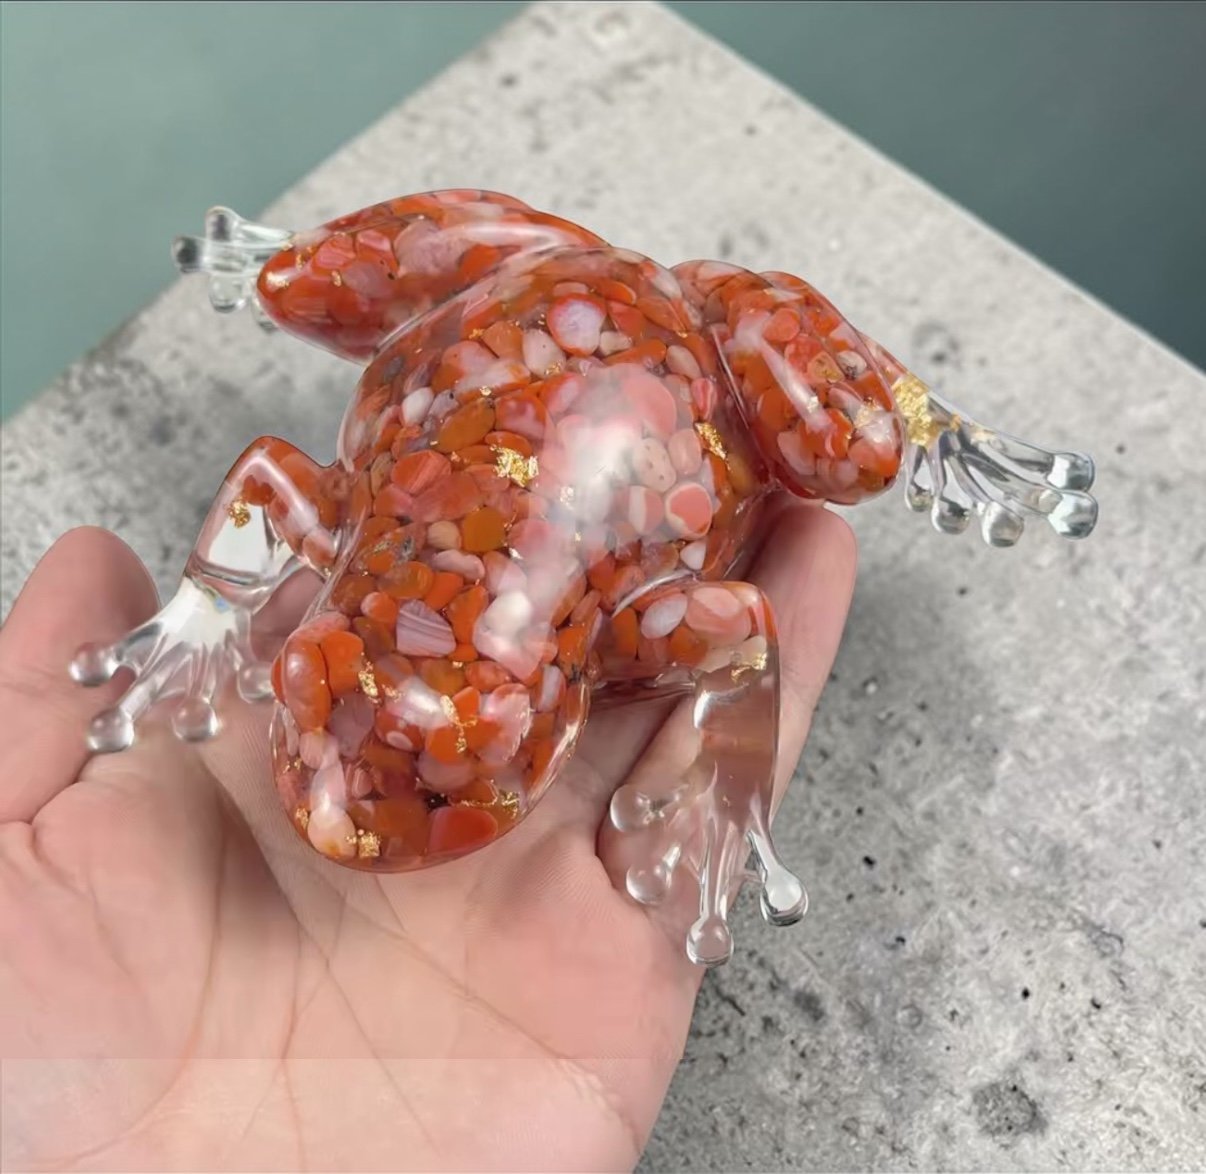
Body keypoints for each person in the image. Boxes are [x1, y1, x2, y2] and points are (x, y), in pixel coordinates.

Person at [0, 502, 854, 1171]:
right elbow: (267, 475)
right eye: (312, 684)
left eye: (457, 770)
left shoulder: (618, 635)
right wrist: (207, 606)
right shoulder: (355, 531)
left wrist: (731, 777)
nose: (338, 806)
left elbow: (748, 626)